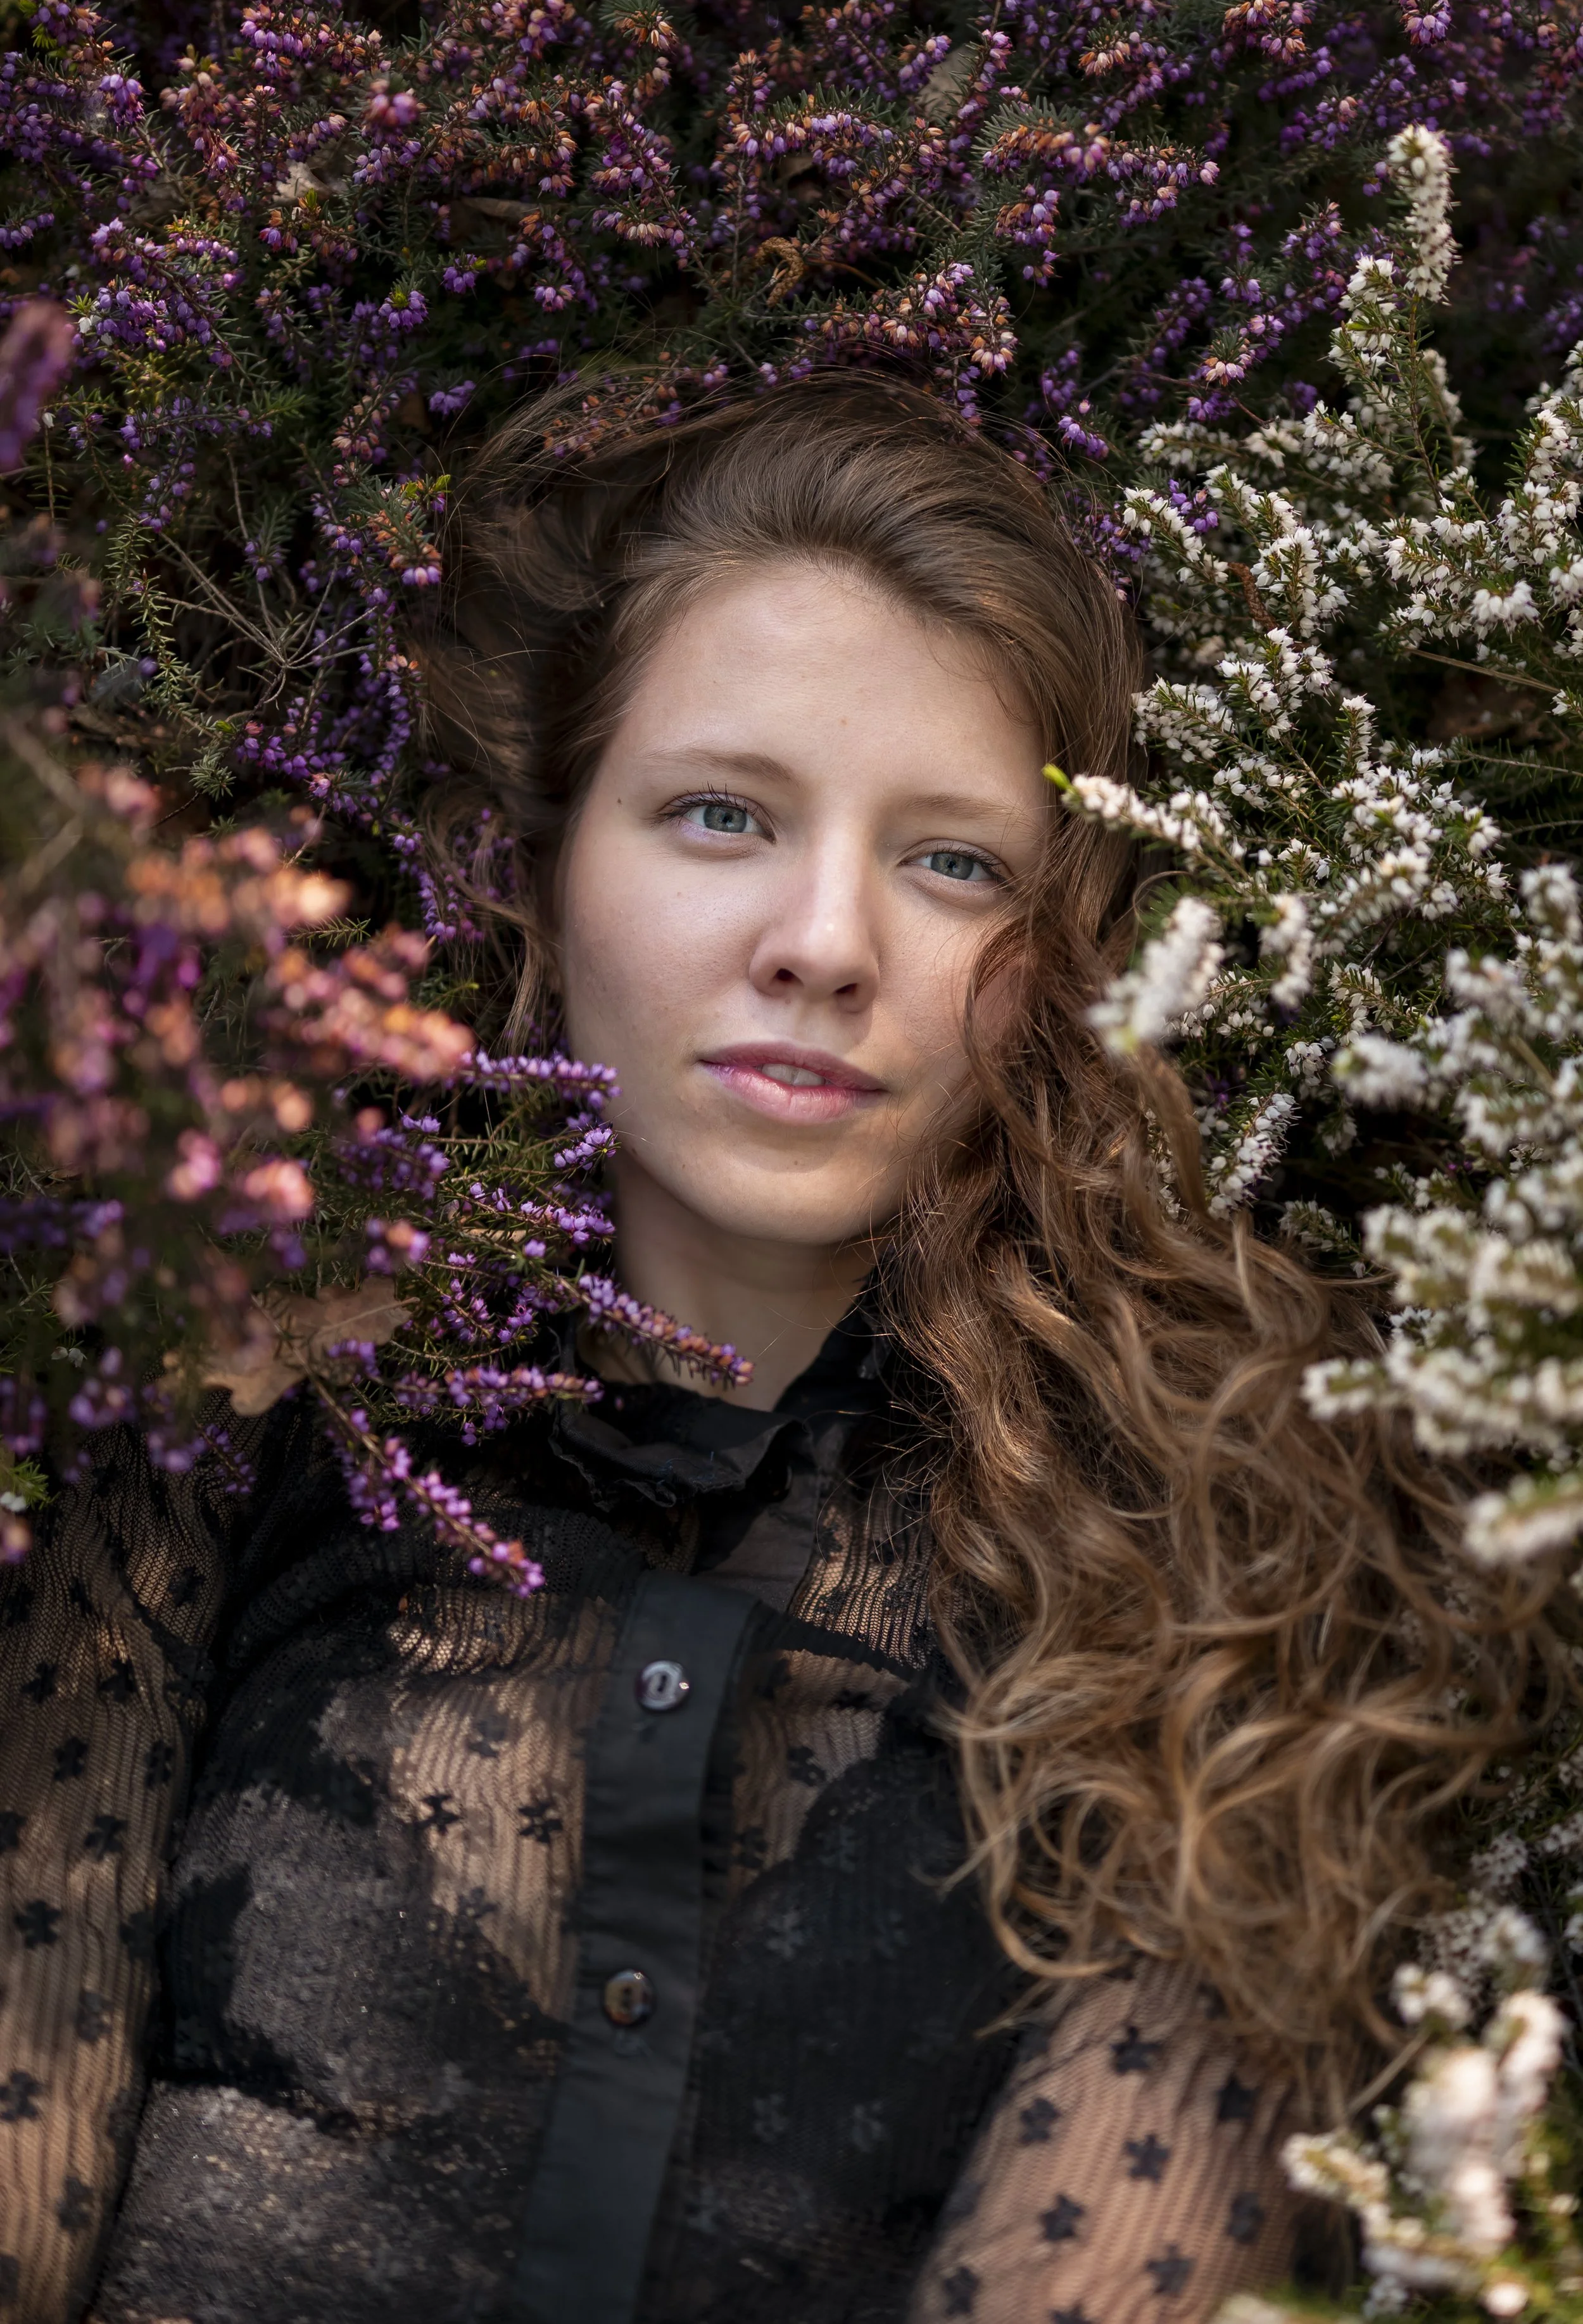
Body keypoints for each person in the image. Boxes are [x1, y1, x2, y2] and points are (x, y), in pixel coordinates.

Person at [0, 377, 1563, 2324]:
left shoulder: (1220, 1577)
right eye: (720, 814)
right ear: (545, 871)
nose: (824, 940)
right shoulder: (221, 1430)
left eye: (953, 863)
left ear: (1070, 957)